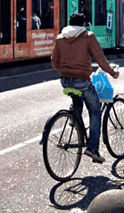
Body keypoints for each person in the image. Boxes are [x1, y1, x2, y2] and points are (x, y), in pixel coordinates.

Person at [51, 12, 119, 163]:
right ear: (83, 24)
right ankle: (93, 149)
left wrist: (66, 70)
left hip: (65, 81)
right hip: (82, 81)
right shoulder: (88, 36)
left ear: (69, 23)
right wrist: (112, 72)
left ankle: (74, 115)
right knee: (95, 111)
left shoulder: (60, 38)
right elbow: (100, 59)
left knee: (78, 98)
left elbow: (54, 62)